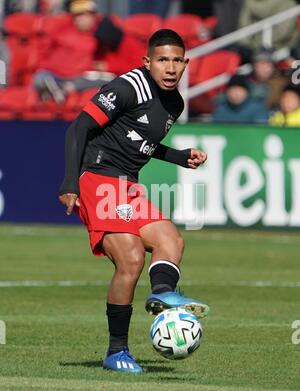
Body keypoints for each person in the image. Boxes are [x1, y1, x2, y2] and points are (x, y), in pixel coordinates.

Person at [59, 29, 210, 373]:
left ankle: (162, 293)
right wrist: (69, 183)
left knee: (171, 239)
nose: (170, 68)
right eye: (162, 60)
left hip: (127, 185)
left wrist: (177, 156)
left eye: (176, 61)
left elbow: (137, 140)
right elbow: (79, 128)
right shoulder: (128, 87)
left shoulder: (175, 103)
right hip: (97, 179)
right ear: (147, 62)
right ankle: (116, 352)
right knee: (129, 260)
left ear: (185, 63)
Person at [32, 0, 103, 103]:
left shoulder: (100, 34)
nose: (81, 19)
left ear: (93, 16)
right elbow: (43, 52)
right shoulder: (62, 31)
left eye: (85, 15)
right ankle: (57, 91)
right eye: (77, 16)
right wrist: (44, 66)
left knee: (108, 81)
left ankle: (63, 91)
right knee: (40, 77)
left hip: (81, 78)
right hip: (56, 76)